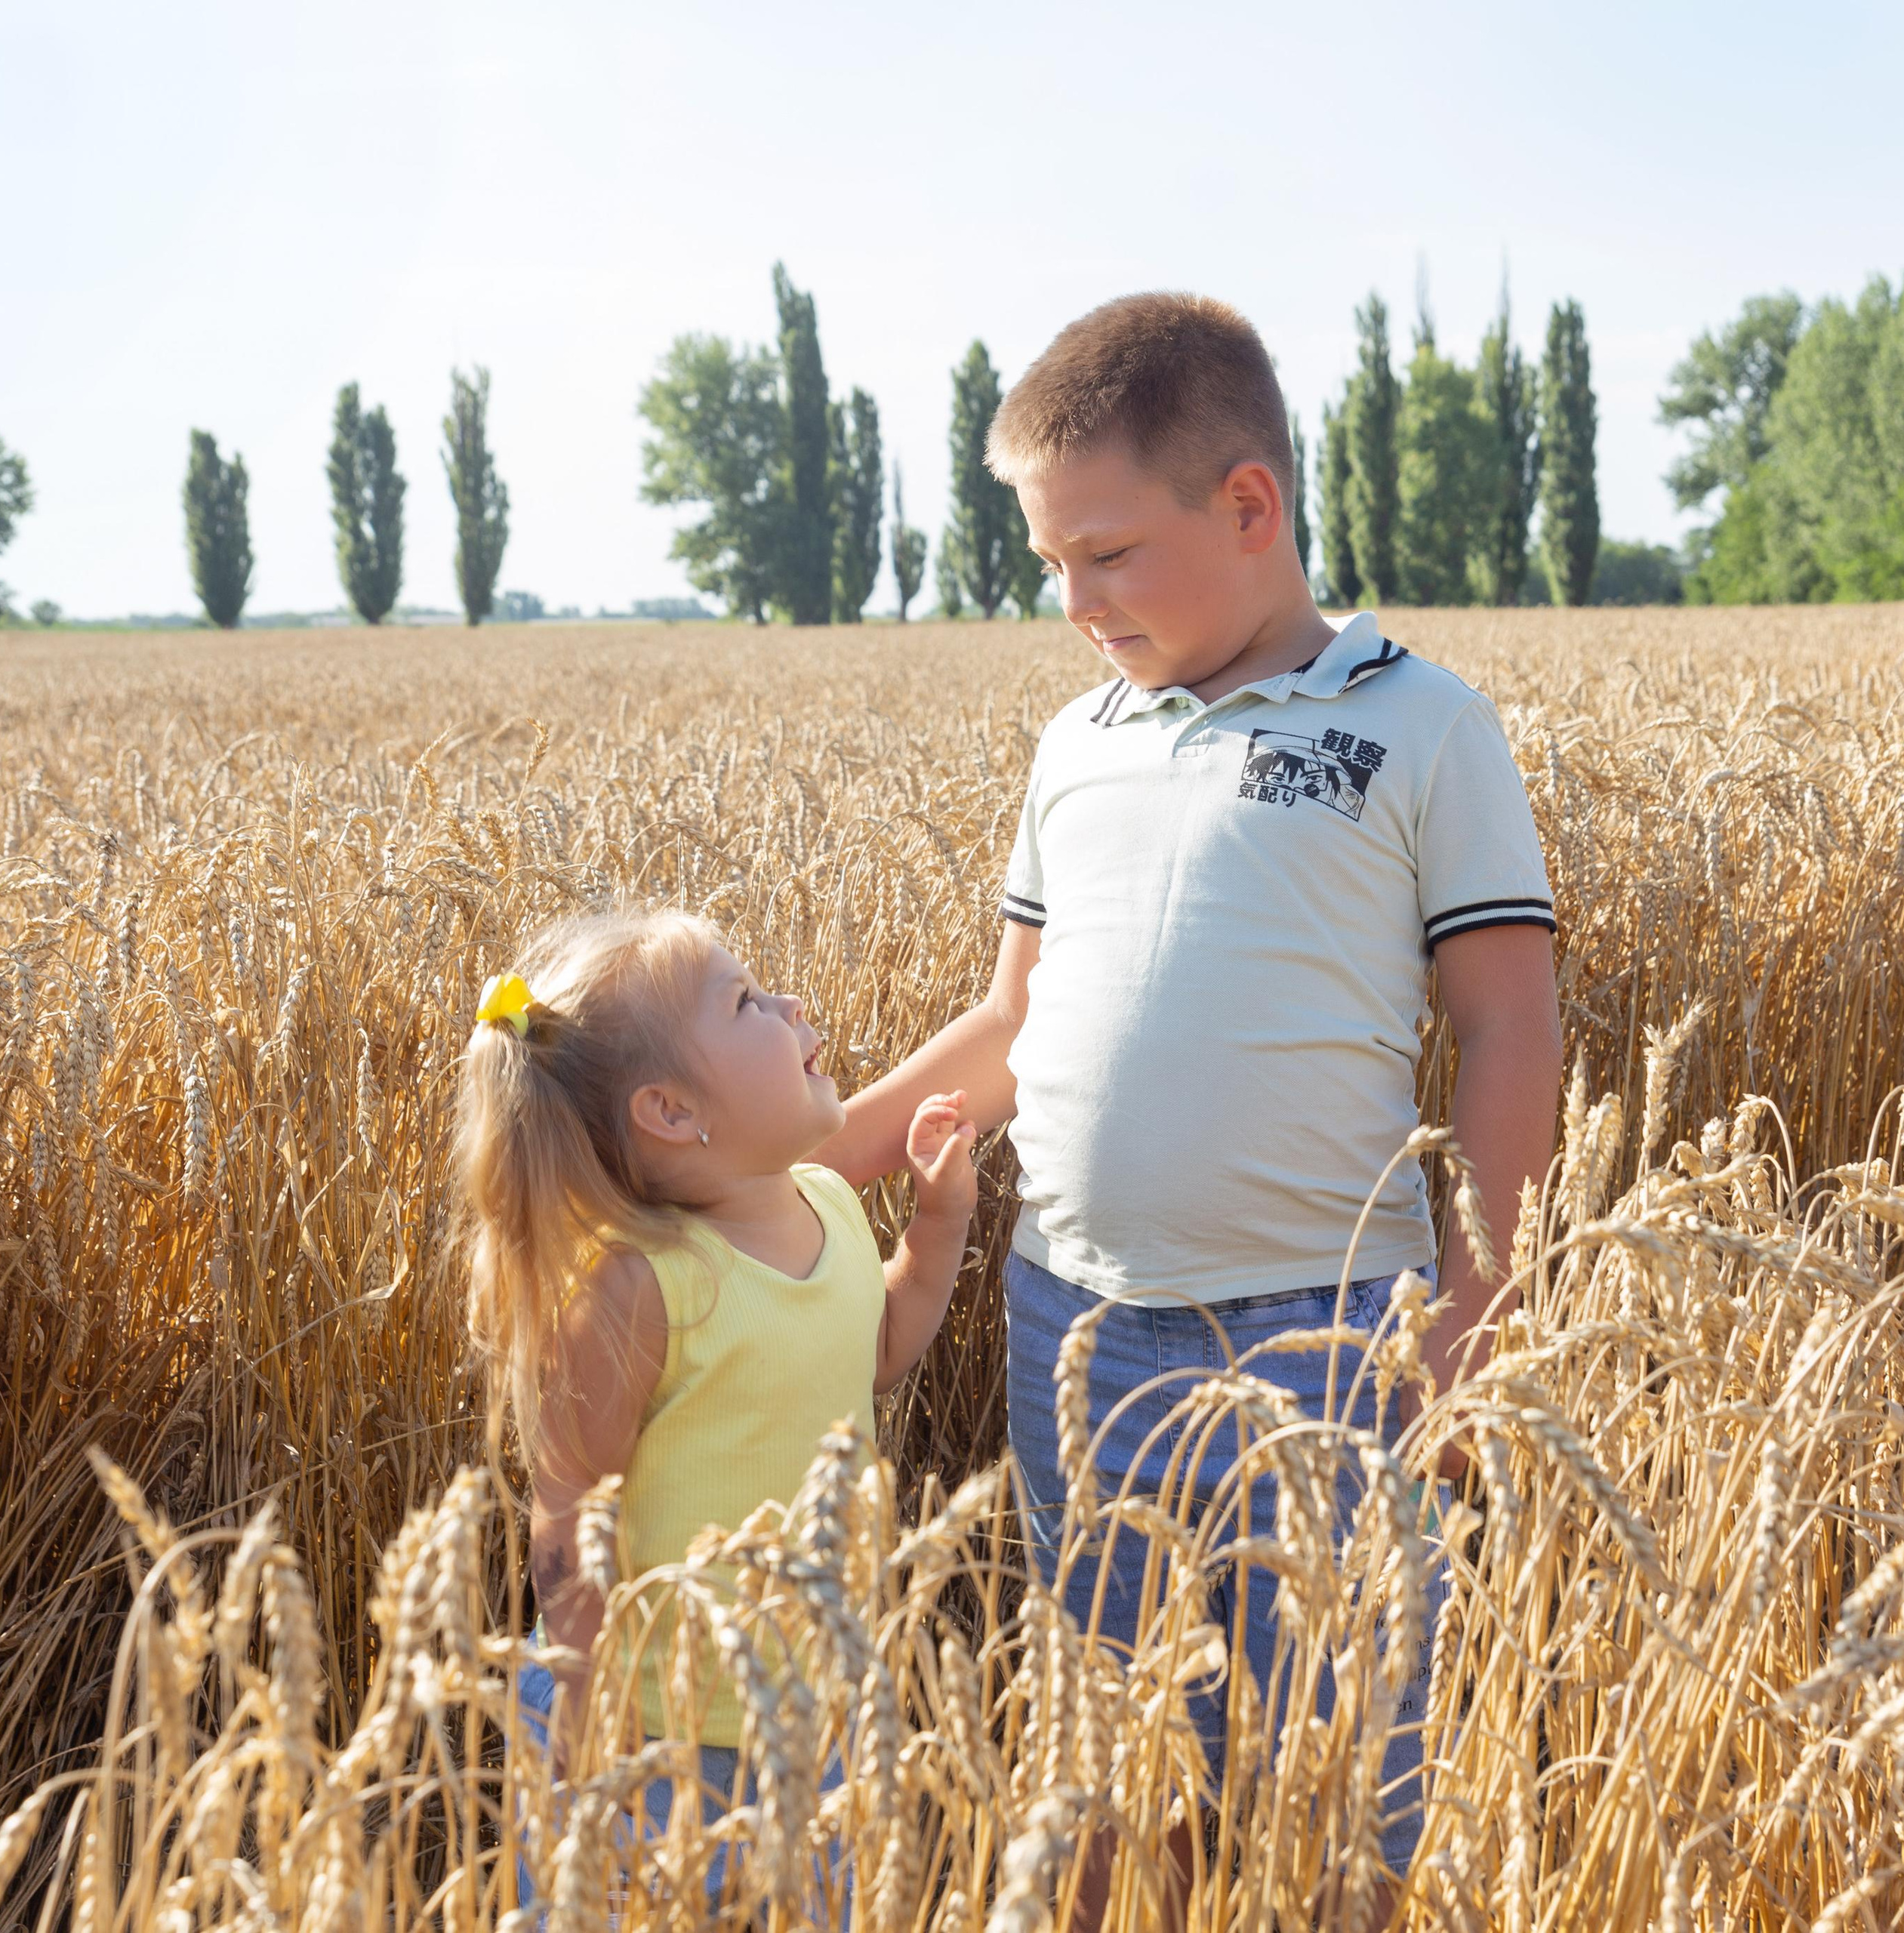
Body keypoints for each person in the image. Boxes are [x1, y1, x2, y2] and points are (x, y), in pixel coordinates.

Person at [818, 292, 1564, 1917]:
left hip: (1332, 1343)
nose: (1072, 603)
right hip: (1070, 1324)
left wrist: (1479, 1302)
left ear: (1246, 506)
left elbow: (1506, 1025)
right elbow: (1008, 1019)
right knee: (1105, 1757)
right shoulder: (1074, 743)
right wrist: (811, 1157)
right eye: (1048, 567)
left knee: (1338, 1768)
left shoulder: (1415, 724)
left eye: (1106, 555)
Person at [457, 908, 978, 1919]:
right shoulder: (638, 1289)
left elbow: (872, 1351)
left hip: (816, 1712)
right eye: (746, 1002)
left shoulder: (827, 1203)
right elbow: (570, 1516)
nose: (790, 1004)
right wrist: (580, 1715)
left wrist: (940, 1221)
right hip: (653, 1739)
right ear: (673, 1111)